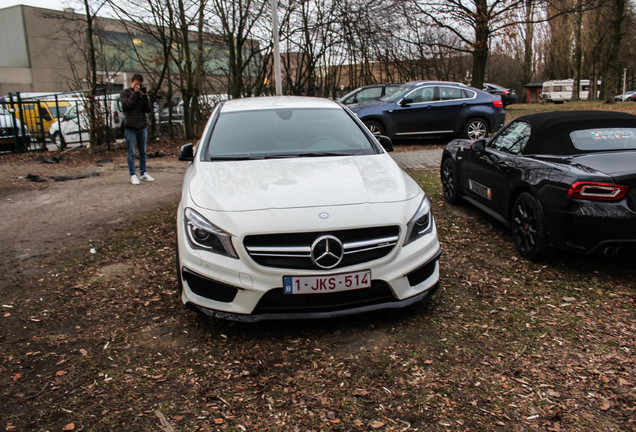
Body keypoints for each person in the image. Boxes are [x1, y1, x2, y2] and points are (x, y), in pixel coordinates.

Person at [120, 74, 153, 185]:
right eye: (136, 83)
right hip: (130, 126)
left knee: (143, 151)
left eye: (140, 83)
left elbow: (147, 109)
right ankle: (133, 174)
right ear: (132, 82)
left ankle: (143, 173)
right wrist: (134, 93)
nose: (138, 86)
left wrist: (145, 96)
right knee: (131, 152)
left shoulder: (141, 94)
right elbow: (126, 106)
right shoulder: (125, 93)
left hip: (142, 125)